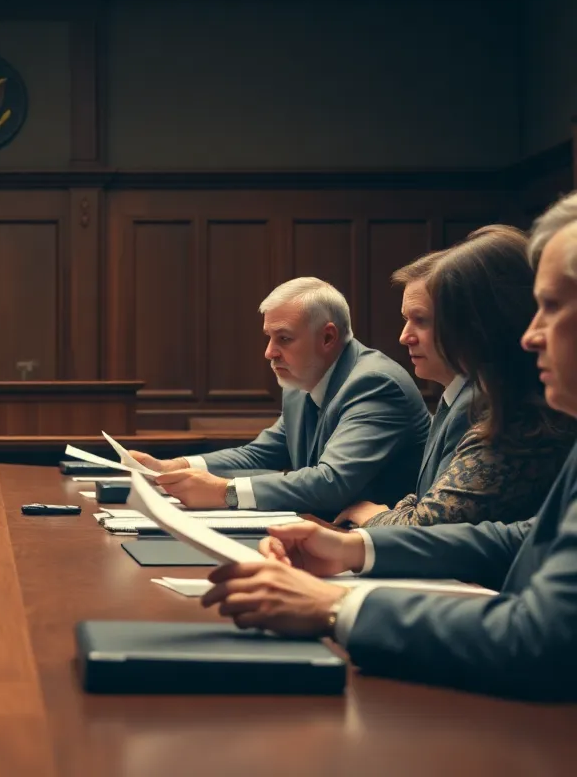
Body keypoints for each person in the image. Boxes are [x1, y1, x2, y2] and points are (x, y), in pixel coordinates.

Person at [200, 192, 577, 701]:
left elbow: (540, 637)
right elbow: (518, 538)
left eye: (551, 307)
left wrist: (335, 608)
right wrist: (355, 547)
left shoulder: (506, 411)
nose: (532, 336)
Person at [337, 226, 577, 527]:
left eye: (424, 320)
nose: (404, 337)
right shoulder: (474, 397)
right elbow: (431, 502)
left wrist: (378, 519)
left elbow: (432, 525)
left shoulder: (506, 411)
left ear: (485, 322)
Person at [130, 278, 430, 516]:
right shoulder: (301, 384)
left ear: (327, 337)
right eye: (269, 337)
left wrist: (227, 492)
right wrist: (176, 465)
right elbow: (260, 454)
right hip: (330, 535)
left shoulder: (374, 383)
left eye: (283, 338)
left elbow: (332, 482)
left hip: (383, 548)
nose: (269, 352)